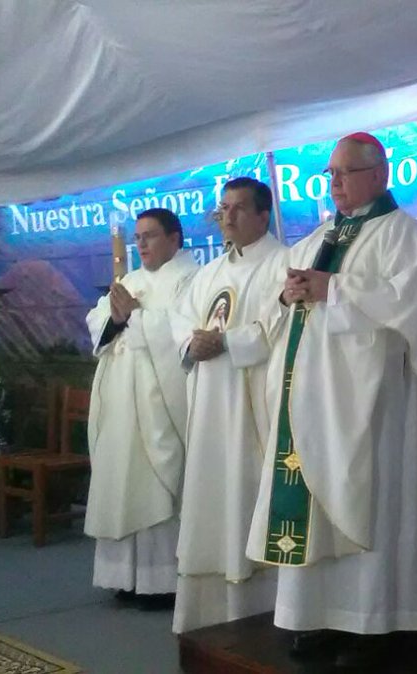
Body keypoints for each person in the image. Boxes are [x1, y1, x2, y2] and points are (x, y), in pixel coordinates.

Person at [245, 132, 417, 668]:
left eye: (346, 172)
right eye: (331, 173)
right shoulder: (318, 237)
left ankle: (376, 624)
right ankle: (318, 616)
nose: (335, 182)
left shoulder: (402, 236)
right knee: (316, 509)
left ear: (379, 175)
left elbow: (410, 308)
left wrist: (331, 291)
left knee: (374, 503)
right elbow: (280, 299)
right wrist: (290, 292)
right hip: (310, 401)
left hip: (374, 405)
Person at [170, 177, 285, 633]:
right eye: (224, 208)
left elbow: (282, 325)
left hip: (253, 406)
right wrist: (190, 343)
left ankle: (261, 614)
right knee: (211, 496)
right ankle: (208, 616)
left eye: (239, 208)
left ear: (263, 215)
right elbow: (181, 318)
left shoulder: (282, 264)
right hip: (211, 404)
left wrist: (228, 342)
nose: (228, 217)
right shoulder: (211, 271)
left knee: (249, 494)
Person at [84, 208, 198, 608]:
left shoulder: (191, 278)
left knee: (156, 481)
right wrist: (115, 321)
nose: (142, 244)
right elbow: (97, 320)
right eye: (137, 237)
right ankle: (123, 577)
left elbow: (183, 331)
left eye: (150, 236)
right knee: (120, 481)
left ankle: (160, 580)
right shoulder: (129, 280)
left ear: (175, 238)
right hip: (121, 402)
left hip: (159, 400)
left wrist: (135, 318)